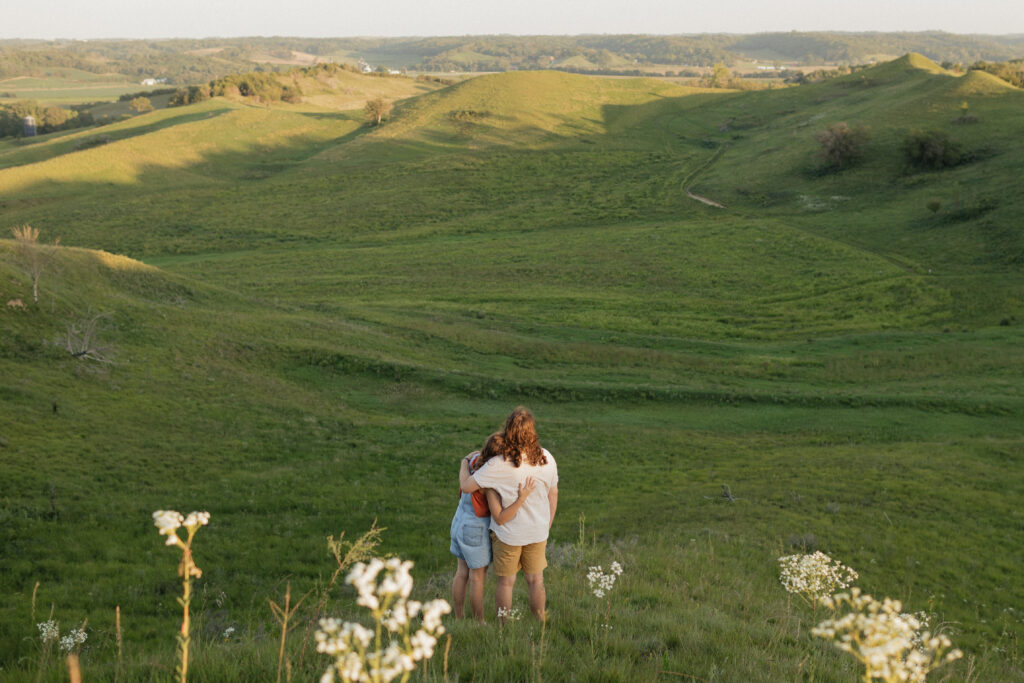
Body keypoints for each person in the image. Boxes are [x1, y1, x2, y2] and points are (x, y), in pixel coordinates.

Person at [460, 407, 558, 621]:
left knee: (506, 583)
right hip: (537, 532)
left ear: (509, 430)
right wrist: (547, 525)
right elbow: (553, 494)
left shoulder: (498, 464)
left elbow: (466, 487)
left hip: (508, 534)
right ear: (533, 431)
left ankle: (503, 627)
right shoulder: (547, 458)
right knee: (536, 581)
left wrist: (464, 464)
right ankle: (540, 622)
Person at [450, 432, 535, 621]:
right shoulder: (489, 477)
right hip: (475, 529)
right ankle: (479, 622)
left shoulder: (473, 459)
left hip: (458, 522)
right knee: (477, 578)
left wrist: (464, 462)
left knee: (461, 572)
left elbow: (465, 476)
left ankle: (459, 617)